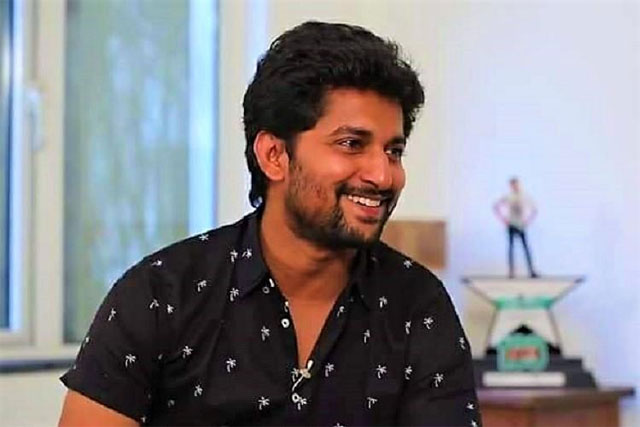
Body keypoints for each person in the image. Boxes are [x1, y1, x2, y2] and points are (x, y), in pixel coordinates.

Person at [59, 21, 481, 426]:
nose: (383, 175)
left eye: (393, 151)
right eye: (352, 144)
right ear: (274, 156)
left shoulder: (417, 306)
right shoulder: (162, 295)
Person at [493, 177, 538, 278]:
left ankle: (531, 271)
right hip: (511, 224)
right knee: (511, 248)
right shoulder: (508, 196)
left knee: (525, 248)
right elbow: (496, 206)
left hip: (521, 225)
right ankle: (511, 272)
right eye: (513, 185)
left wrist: (528, 221)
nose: (515, 187)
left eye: (516, 184)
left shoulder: (524, 196)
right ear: (511, 186)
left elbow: (534, 209)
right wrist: (503, 219)